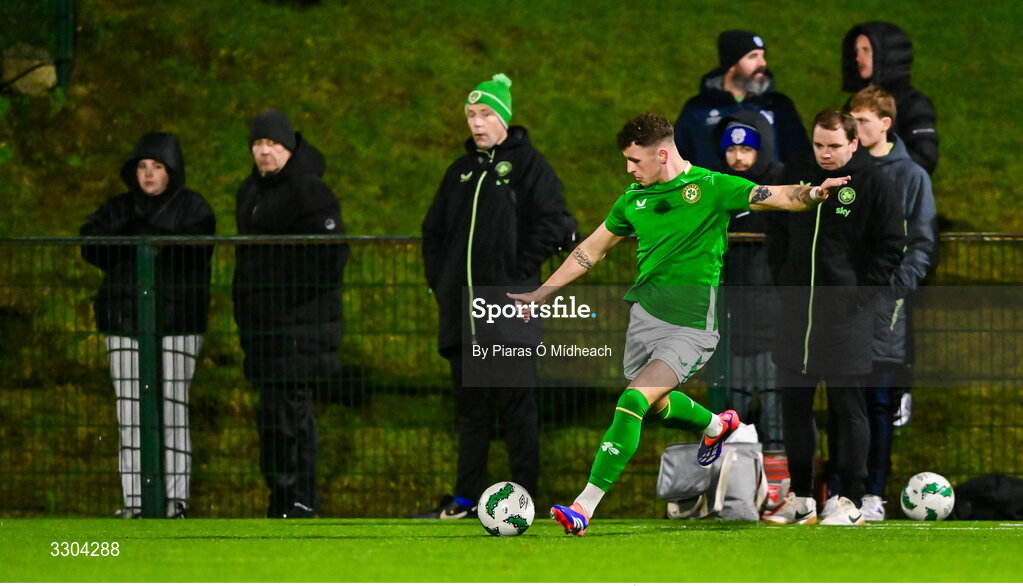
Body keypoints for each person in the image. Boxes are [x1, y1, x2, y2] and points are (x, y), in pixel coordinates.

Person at [507, 112, 850, 536]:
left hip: (691, 327)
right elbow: (590, 251)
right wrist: (543, 292)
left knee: (633, 401)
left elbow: (777, 195)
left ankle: (583, 507)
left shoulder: (711, 187)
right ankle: (716, 425)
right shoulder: (633, 199)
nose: (629, 169)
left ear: (662, 154)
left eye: (635, 160)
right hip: (644, 320)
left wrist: (815, 192)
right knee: (651, 407)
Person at [418, 73, 577, 519]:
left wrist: (517, 274)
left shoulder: (529, 166)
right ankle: (465, 499)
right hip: (462, 315)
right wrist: (442, 282)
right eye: (471, 114)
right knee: (470, 413)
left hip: (508, 312)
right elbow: (433, 233)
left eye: (486, 113)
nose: (477, 122)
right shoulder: (460, 172)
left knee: (516, 410)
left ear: (504, 117)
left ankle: (520, 500)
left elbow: (555, 222)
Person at [762, 110, 904, 526]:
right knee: (794, 406)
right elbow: (776, 230)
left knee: (848, 407)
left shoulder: (875, 182)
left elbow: (892, 245)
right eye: (819, 145)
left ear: (854, 143)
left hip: (845, 318)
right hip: (796, 316)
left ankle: (850, 501)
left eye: (834, 146)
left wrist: (857, 296)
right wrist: (783, 283)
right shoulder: (796, 174)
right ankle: (801, 498)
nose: (825, 154)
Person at [80, 132, 215, 519]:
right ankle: (135, 501)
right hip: (123, 324)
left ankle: (175, 500)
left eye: (157, 167)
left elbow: (195, 248)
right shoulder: (117, 208)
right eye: (142, 166)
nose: (149, 174)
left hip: (177, 325)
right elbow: (89, 241)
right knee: (131, 411)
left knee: (171, 408)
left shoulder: (194, 208)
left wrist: (136, 240)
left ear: (173, 171)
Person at [232, 109, 349, 519]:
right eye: (259, 144)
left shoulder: (311, 192)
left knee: (291, 413)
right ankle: (282, 496)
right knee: (273, 414)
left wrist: (285, 297)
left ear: (289, 148)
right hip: (264, 327)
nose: (265, 151)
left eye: (273, 144)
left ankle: (300, 497)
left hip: (299, 327)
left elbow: (332, 255)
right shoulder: (249, 193)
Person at [843, 86, 938, 520]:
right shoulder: (845, 171)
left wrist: (896, 291)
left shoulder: (911, 176)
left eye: (862, 120)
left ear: (885, 124)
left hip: (884, 306)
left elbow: (921, 243)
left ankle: (874, 495)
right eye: (852, 119)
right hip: (843, 302)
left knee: (878, 402)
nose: (855, 127)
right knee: (845, 400)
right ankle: (843, 493)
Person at [711, 111, 784, 451]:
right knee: (732, 416)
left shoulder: (780, 188)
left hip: (774, 327)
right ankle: (735, 492)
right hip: (733, 326)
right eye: (731, 150)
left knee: (775, 412)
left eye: (747, 150)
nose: (738, 158)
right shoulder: (717, 190)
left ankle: (784, 490)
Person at [674, 30, 811, 170]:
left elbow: (799, 157)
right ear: (731, 65)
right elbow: (679, 158)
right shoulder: (698, 108)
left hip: (769, 191)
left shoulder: (778, 105)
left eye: (763, 56)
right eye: (753, 57)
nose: (762, 63)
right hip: (715, 190)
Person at [842, 22, 938, 174]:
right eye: (856, 51)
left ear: (886, 55)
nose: (858, 58)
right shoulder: (854, 102)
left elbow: (925, 159)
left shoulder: (913, 103)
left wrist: (876, 163)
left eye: (866, 50)